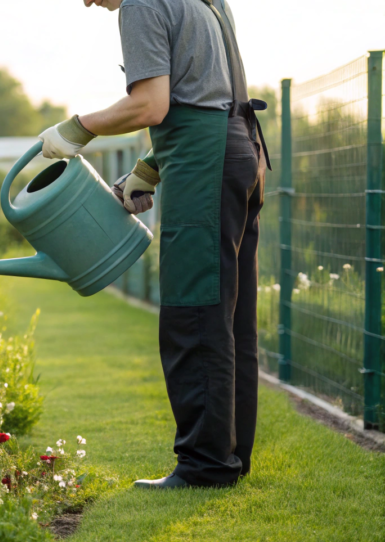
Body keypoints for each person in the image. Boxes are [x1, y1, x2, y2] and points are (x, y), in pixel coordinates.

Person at [37, 0, 270, 488]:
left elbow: (151, 105)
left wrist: (76, 128)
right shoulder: (206, 1)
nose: (85, 2)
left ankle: (205, 466)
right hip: (242, 153)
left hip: (205, 163)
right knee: (231, 316)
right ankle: (229, 456)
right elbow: (207, 98)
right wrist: (147, 170)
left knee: (195, 310)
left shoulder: (141, 4)